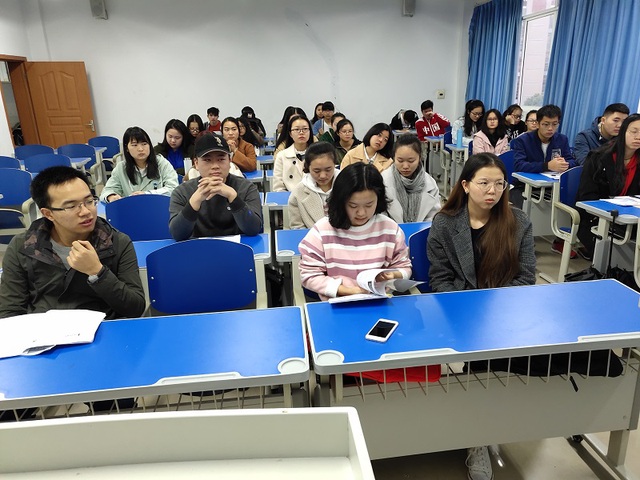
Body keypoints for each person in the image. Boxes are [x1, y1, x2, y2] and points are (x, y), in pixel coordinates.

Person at [427, 153, 536, 480]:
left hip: (505, 313)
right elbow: (440, 280)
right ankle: (478, 438)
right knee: (482, 369)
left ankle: (487, 425)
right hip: (460, 313)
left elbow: (526, 277)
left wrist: (495, 310)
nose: (492, 191)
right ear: (465, 185)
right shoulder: (445, 223)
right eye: (484, 183)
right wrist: (469, 312)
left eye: (499, 184)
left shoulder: (518, 222)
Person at [0, 166, 146, 319]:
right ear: (48, 214)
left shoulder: (116, 242)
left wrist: (98, 272)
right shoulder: (23, 246)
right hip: (44, 330)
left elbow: (135, 308)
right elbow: (9, 312)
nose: (86, 212)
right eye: (71, 206)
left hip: (104, 327)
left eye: (89, 201)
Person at [299, 162, 412, 300]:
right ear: (341, 201)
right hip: (338, 303)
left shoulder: (390, 229)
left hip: (379, 302)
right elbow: (309, 275)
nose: (361, 213)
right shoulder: (322, 231)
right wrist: (347, 291)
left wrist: (393, 275)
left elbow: (404, 267)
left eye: (369, 205)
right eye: (353, 206)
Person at [169, 133, 262, 240]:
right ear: (196, 163)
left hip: (238, 247)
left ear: (230, 161)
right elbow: (177, 234)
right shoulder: (182, 192)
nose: (215, 166)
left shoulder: (246, 188)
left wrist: (233, 197)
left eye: (221, 159)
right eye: (207, 160)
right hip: (198, 248)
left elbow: (254, 228)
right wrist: (195, 201)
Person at [576, 114, 640, 259]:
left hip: (630, 219)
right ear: (623, 132)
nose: (638, 137)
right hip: (597, 220)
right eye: (634, 131)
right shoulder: (599, 157)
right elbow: (587, 196)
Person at [511, 104, 576, 213]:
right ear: (537, 124)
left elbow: (573, 161)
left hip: (553, 187)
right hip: (524, 186)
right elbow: (519, 165)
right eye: (546, 124)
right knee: (523, 209)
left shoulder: (562, 139)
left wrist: (566, 164)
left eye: (554, 124)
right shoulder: (523, 140)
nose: (550, 128)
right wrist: (547, 166)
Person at [100, 126, 179, 203]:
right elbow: (107, 191)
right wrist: (111, 196)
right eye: (134, 145)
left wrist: (147, 194)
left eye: (144, 144)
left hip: (157, 207)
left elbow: (173, 188)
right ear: (127, 148)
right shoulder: (121, 168)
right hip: (132, 209)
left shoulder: (161, 163)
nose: (141, 149)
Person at [382, 134, 441, 223]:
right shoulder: (384, 180)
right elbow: (380, 214)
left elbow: (433, 216)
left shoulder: (430, 184)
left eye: (411, 161)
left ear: (420, 158)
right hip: (391, 230)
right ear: (394, 158)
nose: (405, 166)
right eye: (400, 160)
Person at [288, 141, 340, 229]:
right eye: (317, 171)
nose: (323, 176)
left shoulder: (348, 186)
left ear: (335, 164)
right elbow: (297, 228)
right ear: (308, 167)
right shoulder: (298, 192)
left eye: (328, 170)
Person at [272, 114, 314, 192]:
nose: (301, 132)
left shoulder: (318, 154)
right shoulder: (282, 156)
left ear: (310, 132)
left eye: (305, 129)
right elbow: (278, 187)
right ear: (290, 133)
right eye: (297, 129)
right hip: (289, 197)